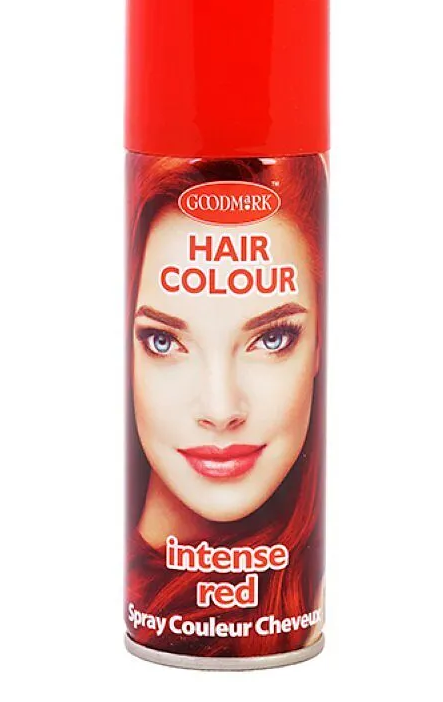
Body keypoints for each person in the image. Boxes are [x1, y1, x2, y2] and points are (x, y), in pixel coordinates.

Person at [125, 154, 327, 657]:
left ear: (321, 342)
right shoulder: (128, 583)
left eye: (273, 338)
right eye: (163, 341)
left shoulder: (313, 592)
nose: (220, 410)